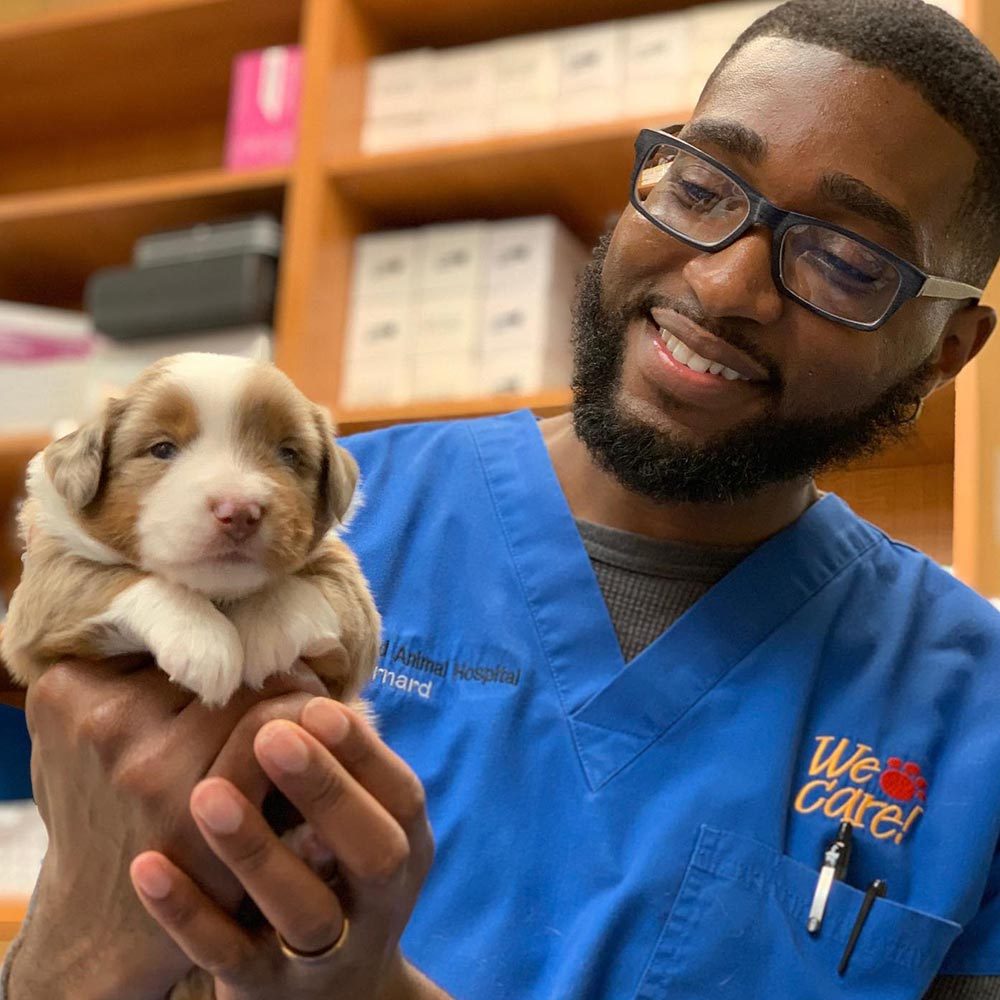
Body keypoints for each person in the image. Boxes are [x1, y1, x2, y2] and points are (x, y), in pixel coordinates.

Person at [3, 0, 1000, 997]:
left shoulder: (970, 712)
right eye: (701, 185)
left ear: (947, 348)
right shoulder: (299, 526)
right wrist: (78, 949)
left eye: (845, 259)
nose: (726, 280)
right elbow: (95, 929)